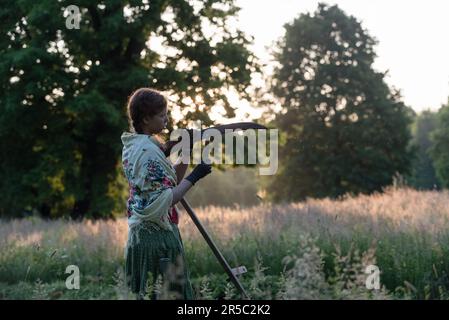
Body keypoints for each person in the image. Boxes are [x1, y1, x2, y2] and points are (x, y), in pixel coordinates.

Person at [121, 88, 211, 299]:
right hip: (156, 240)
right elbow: (167, 198)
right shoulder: (148, 152)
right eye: (162, 115)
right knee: (169, 295)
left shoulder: (138, 146)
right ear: (145, 118)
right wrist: (196, 175)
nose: (167, 120)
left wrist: (186, 150)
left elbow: (170, 183)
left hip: (143, 236)